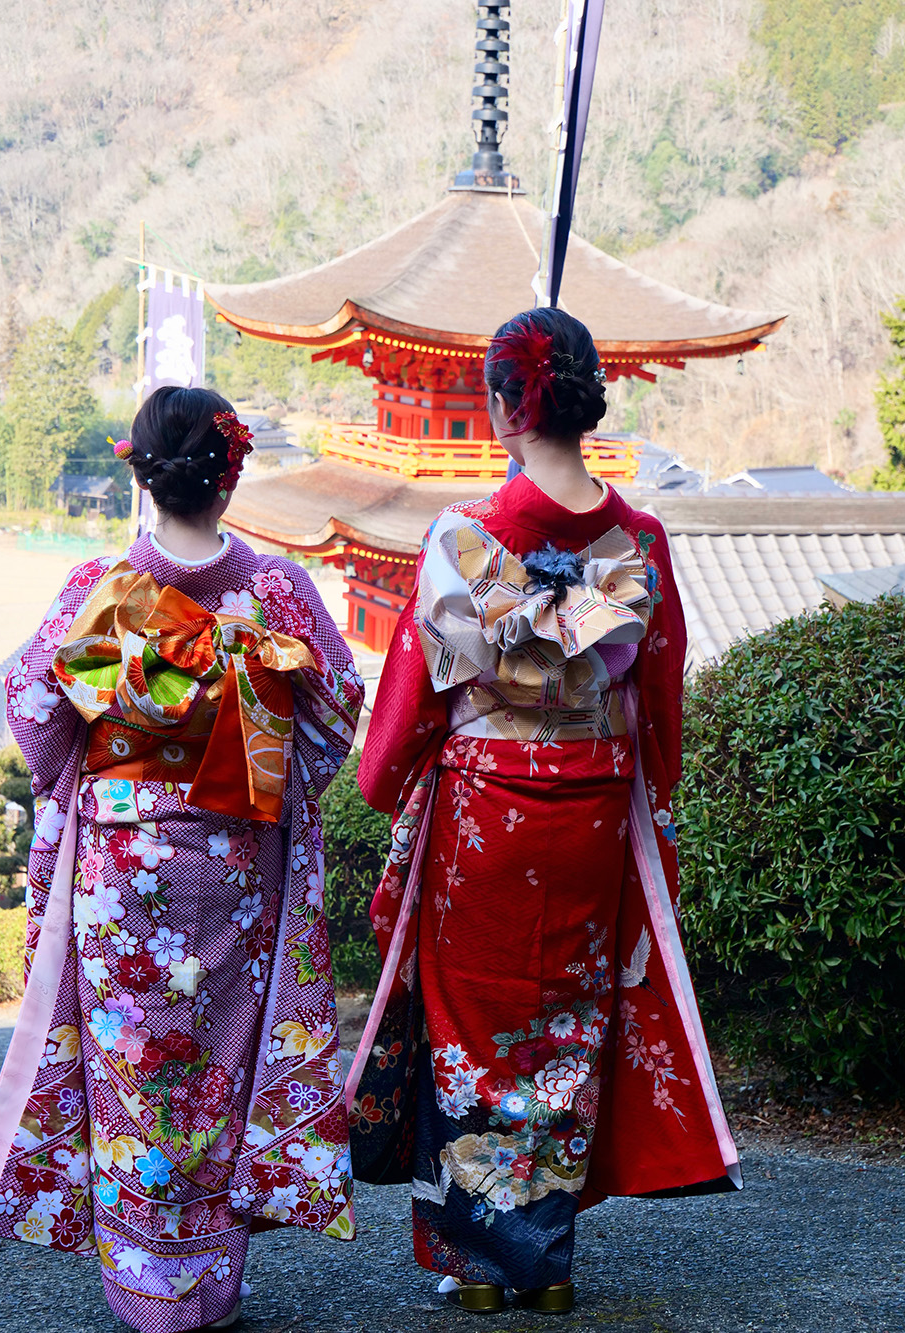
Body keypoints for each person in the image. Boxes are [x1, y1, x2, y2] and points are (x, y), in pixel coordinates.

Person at [350, 308, 741, 1314]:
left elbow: (406, 708)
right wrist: (647, 785)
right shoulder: (638, 541)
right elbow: (658, 695)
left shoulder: (464, 538)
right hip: (592, 814)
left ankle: (482, 1262)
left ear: (497, 407)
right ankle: (547, 1258)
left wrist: (382, 779)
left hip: (484, 817)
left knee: (475, 1030)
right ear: (587, 401)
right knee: (562, 1030)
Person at [0, 386, 364, 1332]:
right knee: (219, 1064)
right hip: (235, 870)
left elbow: (36, 709)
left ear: (142, 474)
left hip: (122, 877)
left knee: (134, 1064)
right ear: (232, 473)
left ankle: (145, 1285)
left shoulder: (99, 589)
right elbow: (334, 714)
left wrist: (110, 766)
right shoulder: (276, 594)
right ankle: (210, 1279)